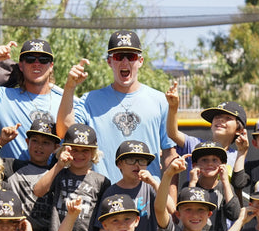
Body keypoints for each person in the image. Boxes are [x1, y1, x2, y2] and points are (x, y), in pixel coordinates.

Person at [57, 30, 176, 183]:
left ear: (140, 61)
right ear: (109, 61)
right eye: (119, 57)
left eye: (131, 56)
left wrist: (170, 196)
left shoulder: (160, 100)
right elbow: (64, 131)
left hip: (148, 193)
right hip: (103, 194)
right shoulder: (90, 100)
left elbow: (169, 154)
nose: (125, 62)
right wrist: (69, 87)